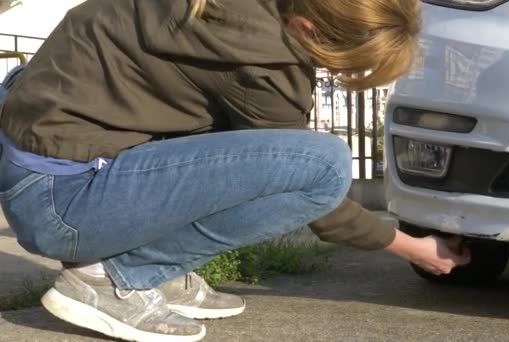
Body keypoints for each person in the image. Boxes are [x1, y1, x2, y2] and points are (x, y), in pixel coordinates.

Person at [0, 0, 470, 341]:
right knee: (322, 164)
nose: (324, 74)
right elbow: (322, 205)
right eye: (333, 66)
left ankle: (157, 265)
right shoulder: (264, 61)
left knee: (223, 133)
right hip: (63, 201)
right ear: (307, 25)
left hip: (40, 162)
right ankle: (120, 275)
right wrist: (415, 248)